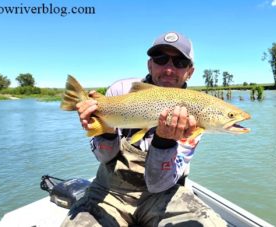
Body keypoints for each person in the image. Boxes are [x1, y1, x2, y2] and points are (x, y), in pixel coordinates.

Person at [61, 32, 227, 226]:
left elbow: (159, 184)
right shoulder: (120, 91)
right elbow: (104, 157)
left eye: (180, 62)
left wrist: (163, 142)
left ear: (190, 71)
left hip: (164, 193)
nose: (169, 69)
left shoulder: (193, 113)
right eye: (161, 59)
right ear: (150, 64)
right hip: (110, 191)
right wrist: (105, 130)